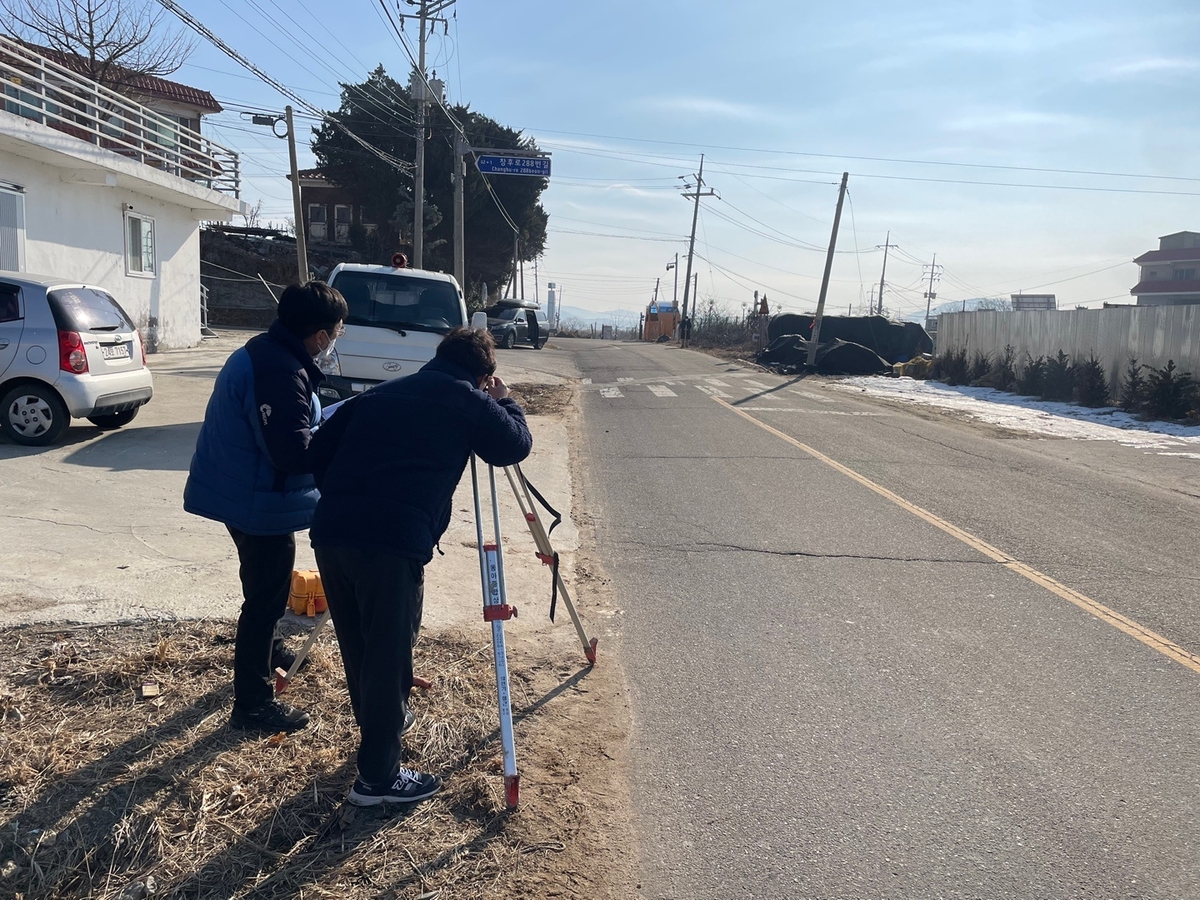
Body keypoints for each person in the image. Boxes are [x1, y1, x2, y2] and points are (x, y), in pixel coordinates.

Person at [307, 327, 532, 806]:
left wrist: (350, 498)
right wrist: (506, 402)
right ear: (483, 375)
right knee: (388, 653)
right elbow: (513, 445)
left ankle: (380, 725)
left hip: (332, 531)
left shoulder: (380, 395)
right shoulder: (468, 400)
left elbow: (317, 453)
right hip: (391, 542)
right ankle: (377, 779)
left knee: (361, 644)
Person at [184, 281, 348, 733]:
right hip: (254, 498)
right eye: (336, 332)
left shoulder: (269, 351)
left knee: (263, 585)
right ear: (318, 335)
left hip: (244, 489)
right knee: (265, 595)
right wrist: (339, 437)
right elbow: (291, 453)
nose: (335, 341)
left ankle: (266, 648)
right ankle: (253, 704)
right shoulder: (278, 369)